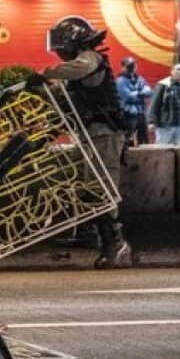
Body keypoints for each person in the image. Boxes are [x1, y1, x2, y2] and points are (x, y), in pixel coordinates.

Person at [37, 17, 129, 268]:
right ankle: (92, 236)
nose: (58, 52)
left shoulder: (90, 58)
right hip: (90, 134)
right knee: (89, 185)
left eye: (61, 45)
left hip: (105, 134)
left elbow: (78, 68)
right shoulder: (79, 66)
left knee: (102, 188)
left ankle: (115, 243)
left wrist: (44, 75)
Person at [148, 61, 180, 146]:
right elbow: (154, 104)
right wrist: (151, 121)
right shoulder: (164, 84)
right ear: (172, 72)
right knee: (162, 150)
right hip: (165, 125)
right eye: (178, 69)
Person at [115, 57, 152, 146]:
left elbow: (149, 92)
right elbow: (127, 96)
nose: (131, 68)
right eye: (129, 66)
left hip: (141, 112)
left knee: (144, 137)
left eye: (133, 65)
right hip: (128, 113)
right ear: (123, 67)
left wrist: (136, 93)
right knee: (127, 137)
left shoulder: (140, 79)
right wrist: (141, 93)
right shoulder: (120, 81)